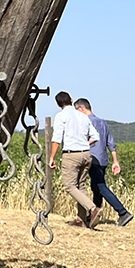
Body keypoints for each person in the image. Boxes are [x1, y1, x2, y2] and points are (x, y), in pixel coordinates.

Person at [75, 98, 134, 227]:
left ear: (81, 109)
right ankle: (93, 217)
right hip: (103, 160)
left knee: (101, 188)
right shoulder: (103, 123)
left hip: (92, 158)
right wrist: (115, 161)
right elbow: (110, 143)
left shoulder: (85, 122)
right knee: (96, 188)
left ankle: (123, 212)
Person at [48, 91, 100, 228]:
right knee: (81, 185)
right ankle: (81, 219)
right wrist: (83, 144)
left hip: (71, 155)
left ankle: (92, 209)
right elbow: (95, 136)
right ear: (71, 100)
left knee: (70, 186)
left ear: (58, 104)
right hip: (86, 154)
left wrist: (52, 157)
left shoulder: (61, 116)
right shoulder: (83, 116)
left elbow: (57, 139)